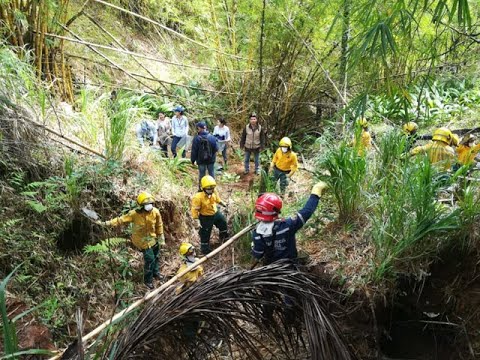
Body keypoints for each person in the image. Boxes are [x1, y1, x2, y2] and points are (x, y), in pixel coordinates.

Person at [97, 192, 165, 290]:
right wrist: (107, 223)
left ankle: (156, 273)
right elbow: (121, 220)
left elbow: (159, 224)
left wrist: (161, 235)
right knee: (150, 260)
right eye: (146, 204)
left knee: (156, 256)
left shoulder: (155, 212)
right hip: (143, 242)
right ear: (141, 205)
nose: (149, 206)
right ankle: (148, 281)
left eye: (150, 204)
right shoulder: (134, 214)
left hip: (154, 239)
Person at [250, 181, 327, 266]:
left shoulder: (257, 233)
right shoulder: (288, 225)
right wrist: (316, 192)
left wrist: (254, 247)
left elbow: (258, 254)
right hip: (290, 267)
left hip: (271, 270)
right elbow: (306, 212)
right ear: (277, 210)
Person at [191, 176, 228, 255]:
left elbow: (217, 199)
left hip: (215, 212)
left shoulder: (214, 192)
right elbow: (194, 209)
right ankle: (205, 248)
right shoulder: (198, 197)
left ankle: (224, 237)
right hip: (205, 217)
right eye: (208, 189)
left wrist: (223, 203)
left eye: (212, 189)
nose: (211, 191)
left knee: (223, 222)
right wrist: (196, 220)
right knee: (205, 232)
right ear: (203, 188)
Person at [191, 122, 218, 187]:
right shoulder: (212, 137)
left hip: (201, 160)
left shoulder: (196, 138)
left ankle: (201, 188)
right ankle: (212, 188)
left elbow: (194, 151)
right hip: (211, 159)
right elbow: (216, 148)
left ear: (199, 128)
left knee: (202, 174)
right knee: (211, 173)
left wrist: (193, 160)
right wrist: (212, 155)